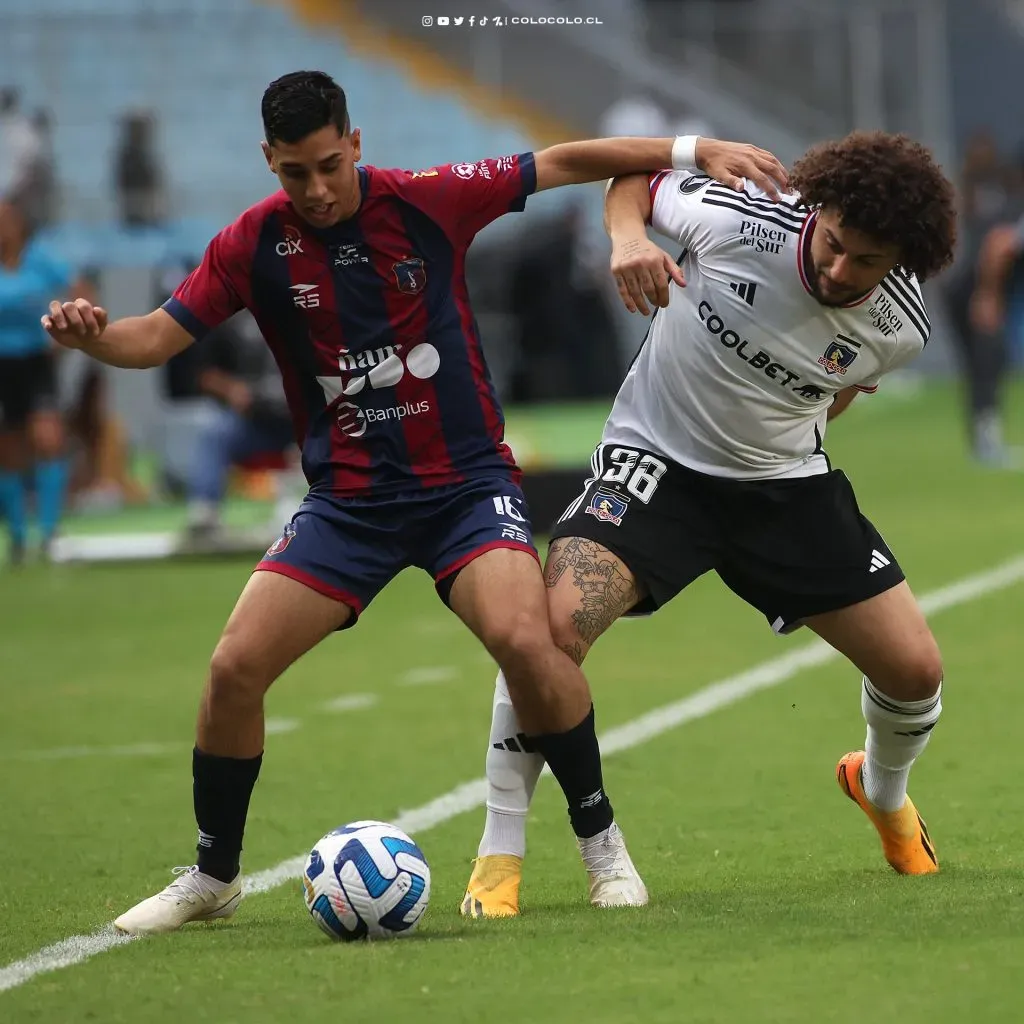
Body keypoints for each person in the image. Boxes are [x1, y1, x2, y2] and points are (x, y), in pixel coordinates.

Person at [41, 70, 786, 934]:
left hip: (464, 489)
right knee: (232, 671)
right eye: (294, 173)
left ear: (354, 143)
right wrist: (95, 339)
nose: (315, 190)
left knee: (524, 636)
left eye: (327, 164)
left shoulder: (429, 201)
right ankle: (213, 875)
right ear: (269, 162)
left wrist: (696, 151)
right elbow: (154, 338)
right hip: (348, 507)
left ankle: (600, 842)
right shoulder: (250, 245)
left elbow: (565, 159)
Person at [462, 131, 957, 918]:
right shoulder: (735, 217)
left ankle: (881, 789)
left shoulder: (901, 327)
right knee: (549, 634)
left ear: (899, 258)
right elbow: (633, 175)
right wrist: (627, 240)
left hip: (783, 490)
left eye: (865, 261)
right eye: (832, 244)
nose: (838, 270)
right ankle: (500, 850)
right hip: (655, 468)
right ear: (815, 211)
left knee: (916, 673)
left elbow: (840, 392)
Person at [0, 200, 72, 563]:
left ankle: (49, 532)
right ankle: (16, 538)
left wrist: (68, 335)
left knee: (49, 439)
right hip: (2, 365)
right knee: (8, 450)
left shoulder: (39, 259)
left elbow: (80, 289)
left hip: (35, 362)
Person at [183, 309, 296, 537]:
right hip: (254, 423)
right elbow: (205, 374)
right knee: (216, 431)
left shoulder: (307, 314)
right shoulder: (229, 324)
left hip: (305, 420)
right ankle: (205, 512)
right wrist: (232, 389)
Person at [965, 208, 1024, 464]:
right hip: (973, 291)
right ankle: (986, 445)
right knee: (988, 362)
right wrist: (988, 295)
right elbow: (998, 245)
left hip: (990, 292)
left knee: (989, 364)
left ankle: (986, 442)